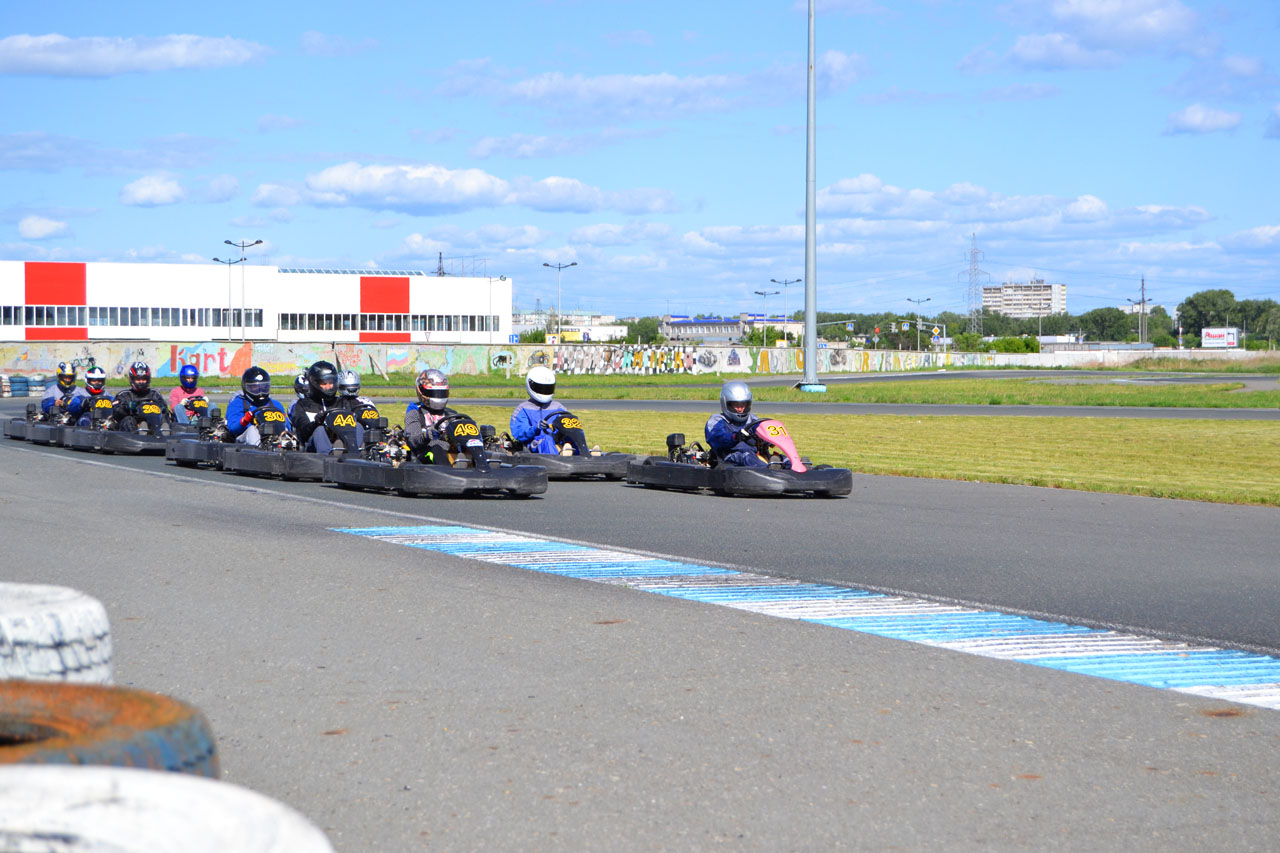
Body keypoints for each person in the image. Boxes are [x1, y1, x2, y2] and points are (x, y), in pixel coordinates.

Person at [704, 380, 772, 468]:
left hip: (753, 457)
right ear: (726, 404)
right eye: (736, 405)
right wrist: (735, 437)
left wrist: (769, 439)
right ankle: (769, 472)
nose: (740, 409)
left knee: (781, 458)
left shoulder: (753, 420)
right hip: (728, 457)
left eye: (743, 404)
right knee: (746, 457)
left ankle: (784, 470)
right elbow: (717, 438)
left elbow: (763, 431)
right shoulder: (716, 420)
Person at [403, 369, 463, 465]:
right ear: (422, 391)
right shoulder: (415, 413)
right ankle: (448, 472)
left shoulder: (451, 414)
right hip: (425, 453)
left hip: (449, 452)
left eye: (441, 393)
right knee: (436, 449)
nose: (438, 396)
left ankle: (479, 468)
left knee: (466, 451)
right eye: (434, 393)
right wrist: (426, 435)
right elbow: (413, 439)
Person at [509, 365, 569, 454]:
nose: (544, 391)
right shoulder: (523, 409)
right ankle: (558, 458)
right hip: (533, 445)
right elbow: (519, 433)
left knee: (573, 439)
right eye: (540, 388)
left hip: (556, 442)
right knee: (547, 440)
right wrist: (535, 428)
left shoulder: (559, 408)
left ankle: (586, 456)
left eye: (547, 388)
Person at [289, 360, 343, 453]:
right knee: (320, 430)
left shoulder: (341, 402)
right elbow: (302, 433)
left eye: (330, 383)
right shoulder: (303, 405)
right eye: (324, 383)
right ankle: (328, 456)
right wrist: (316, 423)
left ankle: (358, 456)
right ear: (314, 383)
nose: (328, 387)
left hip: (340, 441)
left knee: (358, 427)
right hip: (312, 450)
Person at [223, 366, 286, 445]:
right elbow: (233, 428)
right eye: (255, 388)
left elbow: (286, 426)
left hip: (273, 438)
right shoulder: (237, 404)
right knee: (252, 430)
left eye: (263, 387)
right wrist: (244, 421)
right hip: (244, 440)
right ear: (246, 387)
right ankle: (259, 448)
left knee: (286, 432)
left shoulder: (275, 404)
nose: (260, 391)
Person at [111, 361, 171, 434]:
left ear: (148, 379)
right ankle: (139, 434)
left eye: (144, 379)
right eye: (138, 379)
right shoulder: (124, 395)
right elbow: (116, 411)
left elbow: (164, 408)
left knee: (164, 417)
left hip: (154, 425)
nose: (141, 382)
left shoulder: (154, 394)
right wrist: (126, 407)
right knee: (128, 419)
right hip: (132, 430)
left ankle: (165, 433)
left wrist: (162, 407)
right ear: (132, 379)